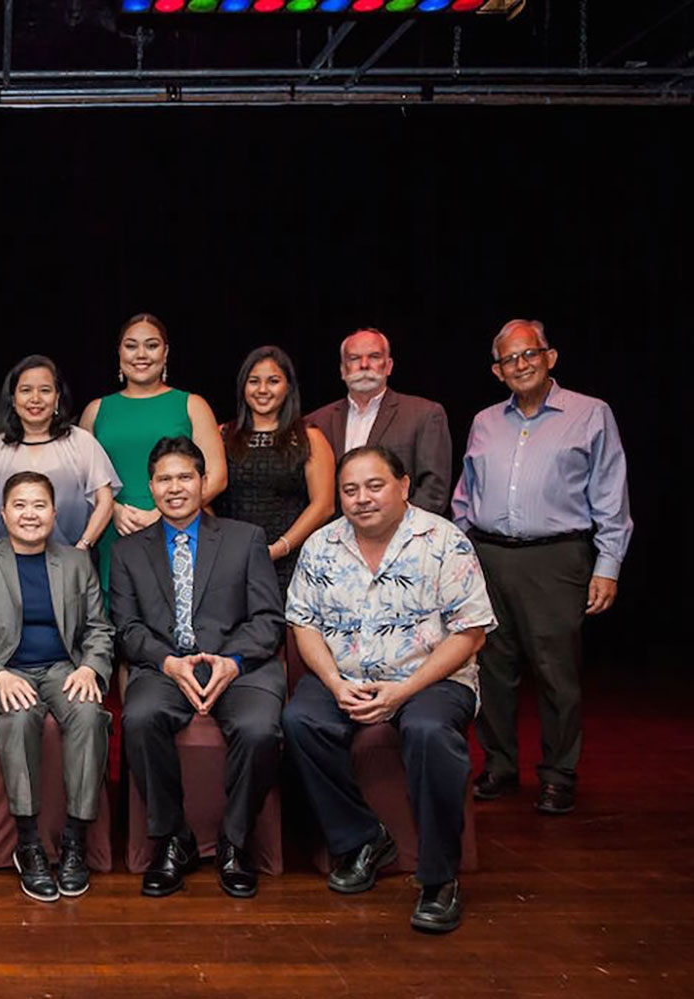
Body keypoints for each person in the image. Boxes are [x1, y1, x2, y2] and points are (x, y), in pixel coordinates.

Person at [284, 445, 496, 934]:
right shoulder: (321, 545)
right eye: (350, 490)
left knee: (428, 731)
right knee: (299, 721)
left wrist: (403, 693)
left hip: (430, 678)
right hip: (347, 675)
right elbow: (304, 624)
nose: (362, 499)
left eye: (374, 486)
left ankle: (440, 878)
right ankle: (360, 838)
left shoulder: (445, 541)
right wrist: (335, 683)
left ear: (403, 487)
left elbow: (471, 632)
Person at [452, 320, 632, 816]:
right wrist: (460, 554)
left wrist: (608, 564)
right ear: (497, 370)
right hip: (487, 557)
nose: (522, 364)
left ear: (550, 357)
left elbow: (610, 494)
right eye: (511, 359)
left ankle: (557, 773)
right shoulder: (485, 421)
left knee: (556, 671)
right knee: (491, 668)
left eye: (530, 353)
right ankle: (501, 766)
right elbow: (465, 495)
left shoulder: (591, 414)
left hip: (557, 557)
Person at [110, 436, 285, 900]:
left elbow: (269, 619)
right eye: (164, 479)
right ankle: (173, 840)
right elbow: (125, 628)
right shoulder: (128, 551)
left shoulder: (245, 539)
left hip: (238, 665)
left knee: (260, 728)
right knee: (140, 718)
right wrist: (167, 663)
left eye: (185, 476)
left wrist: (231, 660)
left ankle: (234, 841)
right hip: (166, 664)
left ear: (204, 482)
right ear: (150, 486)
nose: (174, 487)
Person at [0, 471, 115, 902]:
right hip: (4, 672)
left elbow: (100, 629)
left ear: (54, 512)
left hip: (63, 668)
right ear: (3, 513)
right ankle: (28, 844)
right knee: (20, 716)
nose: (30, 514)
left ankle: (76, 842)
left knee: (87, 713)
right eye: (20, 506)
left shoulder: (78, 562)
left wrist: (90, 670)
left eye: (39, 505)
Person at [80, 313, 227, 600]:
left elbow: (217, 478)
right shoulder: (96, 411)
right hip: (115, 533)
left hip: (183, 529)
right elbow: (81, 481)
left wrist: (163, 513)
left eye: (151, 345)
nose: (141, 354)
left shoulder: (192, 405)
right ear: (119, 352)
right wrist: (113, 509)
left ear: (166, 352)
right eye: (131, 346)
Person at [0, 354, 120, 552]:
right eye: (26, 390)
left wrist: (82, 548)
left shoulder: (81, 442)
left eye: (45, 390)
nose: (35, 399)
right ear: (13, 399)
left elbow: (105, 500)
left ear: (57, 398)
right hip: (7, 566)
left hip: (71, 563)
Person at [216, 346, 335, 594]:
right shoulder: (221, 435)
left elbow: (323, 505)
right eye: (254, 381)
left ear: (288, 387)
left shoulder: (309, 438)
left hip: (292, 561)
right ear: (243, 387)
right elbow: (204, 491)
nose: (262, 390)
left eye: (273, 381)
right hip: (232, 561)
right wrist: (220, 543)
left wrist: (280, 548)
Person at [307, 328, 453, 515]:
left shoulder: (424, 414)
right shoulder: (316, 422)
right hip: (333, 538)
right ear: (343, 370)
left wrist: (399, 533)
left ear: (388, 366)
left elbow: (433, 491)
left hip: (402, 536)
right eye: (354, 358)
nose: (364, 365)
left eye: (374, 356)